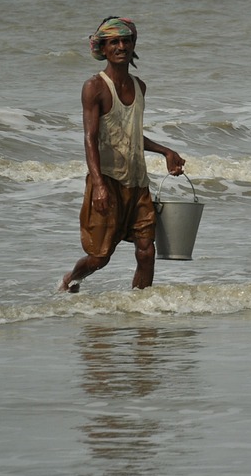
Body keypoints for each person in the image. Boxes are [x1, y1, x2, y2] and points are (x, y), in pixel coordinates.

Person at [60, 17, 186, 292]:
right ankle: (71, 280)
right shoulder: (95, 87)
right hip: (107, 180)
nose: (121, 46)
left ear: (133, 45)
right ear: (102, 49)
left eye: (126, 41)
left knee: (146, 251)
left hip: (137, 182)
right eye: (114, 42)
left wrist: (165, 151)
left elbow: (129, 135)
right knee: (99, 258)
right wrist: (99, 187)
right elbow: (90, 138)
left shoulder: (140, 87)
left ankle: (140, 309)